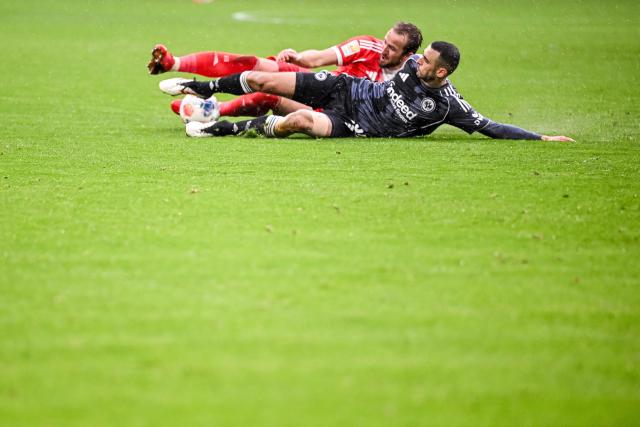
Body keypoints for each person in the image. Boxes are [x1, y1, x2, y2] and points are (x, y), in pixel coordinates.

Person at [163, 41, 573, 142]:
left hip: (354, 125)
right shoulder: (411, 62)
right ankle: (199, 88)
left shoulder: (449, 105)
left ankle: (231, 129)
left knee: (300, 121)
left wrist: (540, 137)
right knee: (264, 78)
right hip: (346, 87)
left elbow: (492, 127)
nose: (417, 62)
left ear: (441, 71)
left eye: (426, 61)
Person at [148, 22, 422, 117]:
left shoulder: (415, 76)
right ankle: (175, 64)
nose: (383, 50)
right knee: (255, 65)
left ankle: (212, 110)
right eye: (385, 41)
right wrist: (299, 58)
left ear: (407, 55)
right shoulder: (367, 47)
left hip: (332, 111)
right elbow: (319, 59)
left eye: (392, 48)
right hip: (320, 83)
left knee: (271, 96)